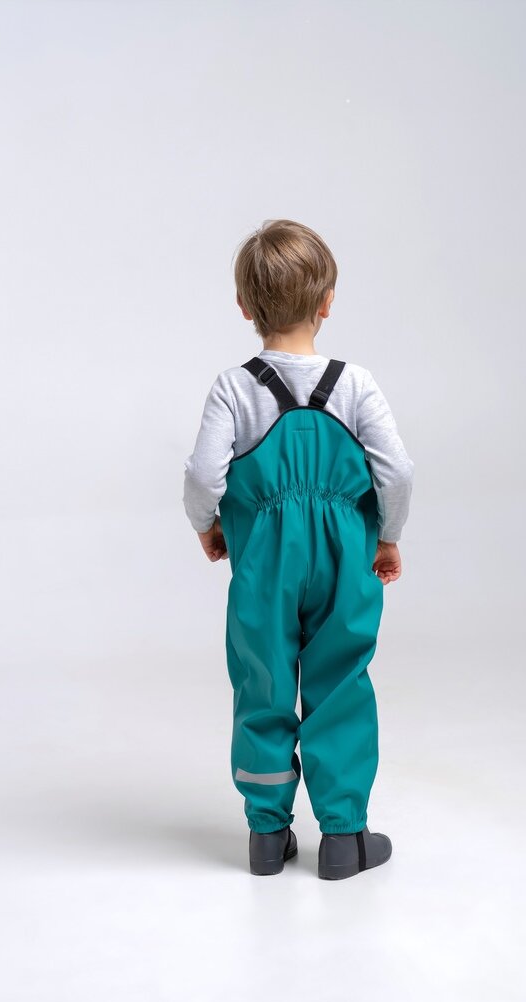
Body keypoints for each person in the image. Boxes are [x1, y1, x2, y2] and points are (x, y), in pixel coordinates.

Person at [183, 219, 414, 880]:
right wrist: (388, 535)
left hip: (264, 563)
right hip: (345, 559)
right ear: (327, 302)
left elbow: (203, 476)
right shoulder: (355, 383)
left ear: (244, 306)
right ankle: (343, 838)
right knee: (340, 683)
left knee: (264, 683)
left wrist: (208, 526)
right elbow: (397, 473)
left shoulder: (234, 387)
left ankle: (266, 835)